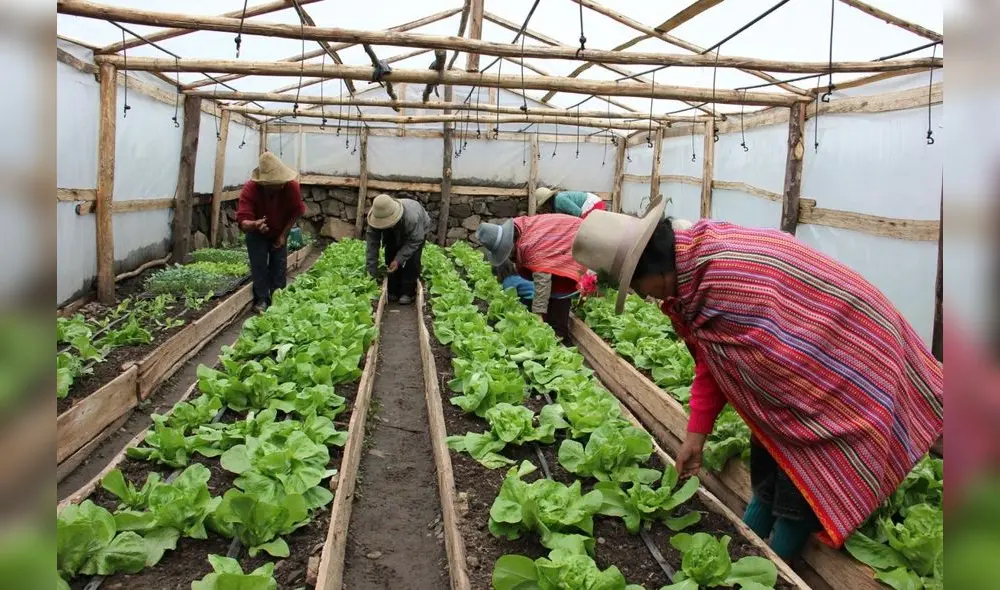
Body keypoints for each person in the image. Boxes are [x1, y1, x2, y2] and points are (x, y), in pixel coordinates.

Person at [571, 198, 943, 559]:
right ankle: (742, 559)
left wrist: (765, 425)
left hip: (851, 353)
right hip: (808, 358)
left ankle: (771, 563)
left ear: (653, 269)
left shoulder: (721, 279)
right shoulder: (693, 274)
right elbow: (714, 361)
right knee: (770, 463)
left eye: (636, 286)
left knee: (807, 476)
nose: (642, 296)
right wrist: (695, 437)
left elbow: (783, 378)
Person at [476, 214, 587, 340]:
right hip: (566, 240)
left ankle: (560, 335)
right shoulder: (520, 228)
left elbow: (543, 280)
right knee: (553, 295)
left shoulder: (531, 244)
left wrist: (538, 315)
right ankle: (555, 332)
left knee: (559, 297)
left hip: (579, 239)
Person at [236, 151, 305, 313]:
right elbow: (243, 221)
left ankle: (278, 297)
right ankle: (262, 299)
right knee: (259, 265)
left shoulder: (291, 186)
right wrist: (255, 224)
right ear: (264, 184)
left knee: (279, 265)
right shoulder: (250, 189)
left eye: (282, 182)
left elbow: (296, 212)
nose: (281, 185)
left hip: (279, 230)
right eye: (276, 183)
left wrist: (283, 235)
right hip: (256, 233)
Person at [365, 193, 430, 305]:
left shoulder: (412, 218)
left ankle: (408, 292)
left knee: (412, 260)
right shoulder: (376, 216)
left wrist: (399, 259)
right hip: (396, 228)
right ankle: (393, 289)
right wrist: (371, 274)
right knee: (390, 254)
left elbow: (415, 240)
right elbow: (372, 246)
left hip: (417, 231)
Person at [534, 187, 606, 218]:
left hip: (591, 204)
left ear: (547, 202)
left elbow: (577, 212)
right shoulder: (554, 206)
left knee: (583, 228)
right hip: (586, 207)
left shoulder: (559, 200)